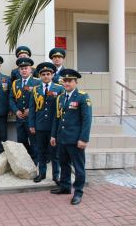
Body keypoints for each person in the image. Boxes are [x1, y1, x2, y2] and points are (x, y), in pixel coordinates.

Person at [50, 69, 92, 205]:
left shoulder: (82, 97)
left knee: (79, 167)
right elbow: (57, 119)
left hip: (76, 140)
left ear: (76, 82)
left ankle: (78, 192)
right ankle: (65, 187)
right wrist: (53, 136)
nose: (66, 83)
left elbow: (87, 120)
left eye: (70, 81)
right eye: (65, 81)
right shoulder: (61, 97)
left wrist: (83, 139)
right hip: (62, 138)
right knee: (64, 164)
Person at [29, 62, 64, 184]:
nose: (45, 76)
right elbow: (32, 108)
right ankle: (42, 174)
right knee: (41, 151)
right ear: (40, 76)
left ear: (53, 75)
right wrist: (32, 125)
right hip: (39, 126)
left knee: (55, 153)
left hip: (54, 126)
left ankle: (56, 176)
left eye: (48, 74)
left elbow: (61, 109)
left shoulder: (59, 88)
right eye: (43, 74)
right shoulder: (35, 89)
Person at [9, 57, 40, 164]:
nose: (24, 70)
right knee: (21, 140)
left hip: (32, 118)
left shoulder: (37, 82)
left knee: (34, 141)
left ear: (31, 69)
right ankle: (25, 161)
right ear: (19, 71)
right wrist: (16, 111)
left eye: (26, 68)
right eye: (21, 69)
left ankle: (35, 162)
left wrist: (31, 110)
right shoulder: (15, 83)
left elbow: (41, 100)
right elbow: (11, 98)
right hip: (19, 118)